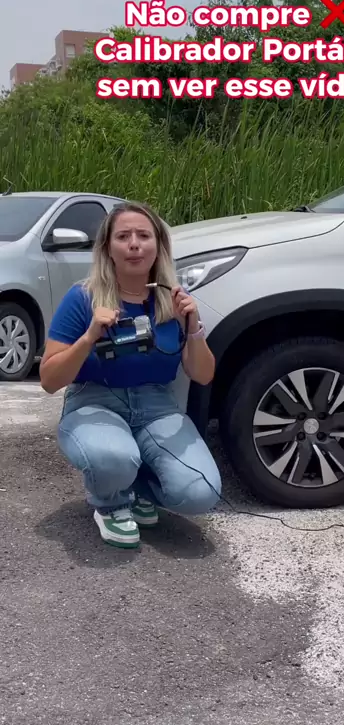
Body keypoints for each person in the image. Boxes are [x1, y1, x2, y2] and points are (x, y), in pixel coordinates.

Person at [39, 200, 221, 549]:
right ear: (108, 248)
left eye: (143, 235)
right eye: (123, 237)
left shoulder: (174, 300)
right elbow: (49, 380)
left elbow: (203, 374)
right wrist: (89, 337)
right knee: (113, 458)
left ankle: (135, 489)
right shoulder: (82, 298)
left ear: (159, 245)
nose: (134, 244)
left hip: (157, 407)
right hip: (95, 401)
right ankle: (110, 502)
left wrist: (193, 325)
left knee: (201, 492)